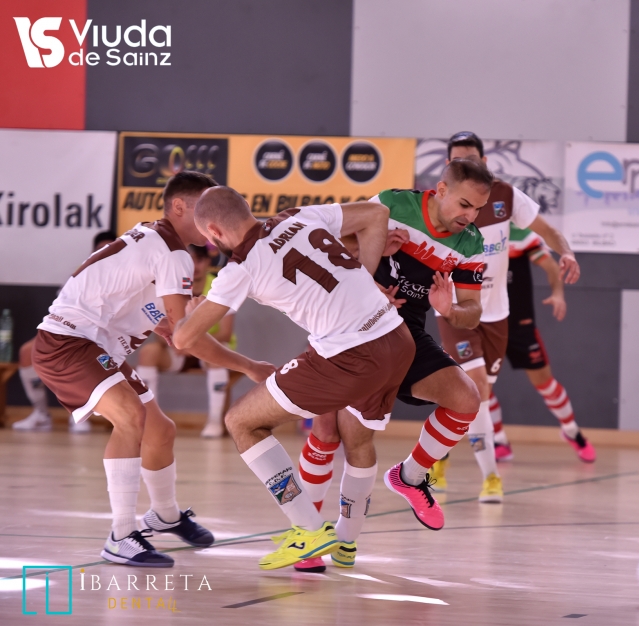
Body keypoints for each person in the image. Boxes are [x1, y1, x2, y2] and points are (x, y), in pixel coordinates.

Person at [31, 171, 273, 567]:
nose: (210, 217)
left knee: (161, 430)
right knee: (131, 416)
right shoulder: (173, 253)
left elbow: (164, 323)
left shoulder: (155, 239)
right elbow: (185, 337)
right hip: (68, 343)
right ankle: (121, 536)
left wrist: (176, 324)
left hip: (94, 346)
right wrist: (250, 366)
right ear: (178, 206)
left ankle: (165, 514)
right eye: (201, 207)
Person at [173, 187, 415, 571]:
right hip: (396, 337)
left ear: (214, 231)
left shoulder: (239, 268)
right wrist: (365, 279)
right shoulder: (298, 215)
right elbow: (376, 214)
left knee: (242, 422)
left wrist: (190, 313)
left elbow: (184, 339)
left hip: (349, 354)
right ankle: (346, 543)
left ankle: (308, 528)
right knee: (358, 440)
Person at [429, 132, 582, 500]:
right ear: (448, 168)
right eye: (457, 162)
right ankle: (491, 478)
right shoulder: (439, 203)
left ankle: (440, 457)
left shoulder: (507, 197)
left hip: (497, 313)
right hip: (456, 309)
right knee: (476, 387)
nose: (465, 166)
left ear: (484, 162)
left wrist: (567, 252)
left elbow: (548, 231)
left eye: (471, 160)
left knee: (471, 397)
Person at [370, 158, 492, 529]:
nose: (470, 216)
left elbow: (473, 311)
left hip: (404, 330)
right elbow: (331, 248)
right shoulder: (391, 204)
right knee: (331, 433)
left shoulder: (470, 243)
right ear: (440, 190)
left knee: (467, 400)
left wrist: (451, 309)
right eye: (464, 204)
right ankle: (305, 535)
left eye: (478, 209)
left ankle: (409, 476)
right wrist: (369, 268)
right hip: (352, 322)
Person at [485, 223, 595, 464]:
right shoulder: (469, 233)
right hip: (486, 326)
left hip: (520, 325)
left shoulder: (518, 234)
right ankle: (499, 441)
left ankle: (572, 431)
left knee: (545, 383)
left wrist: (558, 294)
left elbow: (551, 265)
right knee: (482, 387)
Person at [12, 231, 116, 433]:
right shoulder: (80, 273)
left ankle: (80, 414)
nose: (104, 252)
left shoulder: (123, 277)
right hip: (67, 330)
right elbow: (60, 308)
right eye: (100, 249)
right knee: (27, 352)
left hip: (101, 336)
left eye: (109, 249)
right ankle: (41, 414)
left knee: (83, 357)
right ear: (93, 251)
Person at [137, 244, 238, 438]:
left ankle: (215, 421)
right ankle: (151, 419)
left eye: (199, 260)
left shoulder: (220, 286)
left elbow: (225, 333)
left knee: (218, 356)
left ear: (207, 261)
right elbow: (160, 332)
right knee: (148, 352)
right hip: (178, 349)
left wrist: (190, 342)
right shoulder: (173, 286)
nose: (194, 266)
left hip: (209, 349)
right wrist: (179, 343)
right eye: (190, 260)